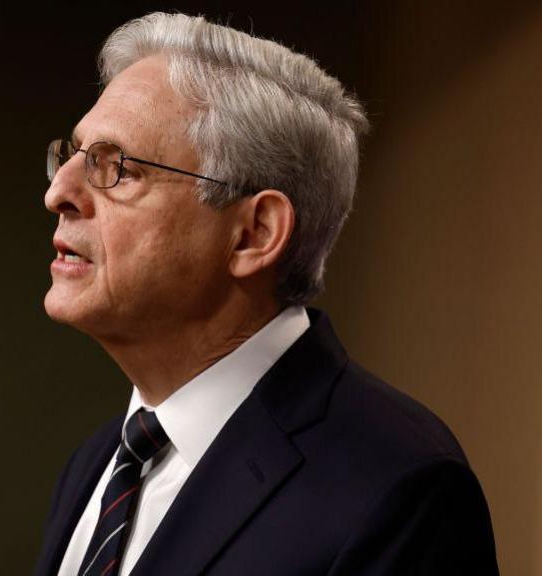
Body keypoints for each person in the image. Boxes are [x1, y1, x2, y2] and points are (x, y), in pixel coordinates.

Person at [32, 12, 498, 576]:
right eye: (74, 155)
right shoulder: (97, 465)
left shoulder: (399, 488)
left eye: (117, 167)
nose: (59, 192)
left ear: (254, 234)